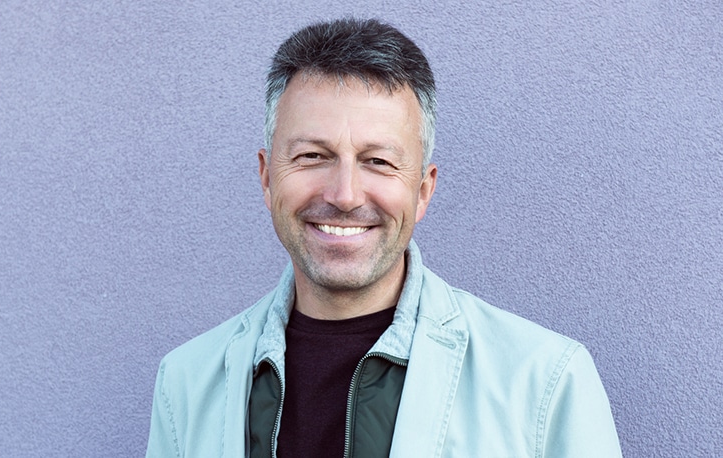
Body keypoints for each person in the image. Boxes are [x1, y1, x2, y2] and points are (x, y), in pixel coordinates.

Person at [146, 18, 622, 457]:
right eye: (313, 155)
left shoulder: (546, 383)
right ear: (268, 178)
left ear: (422, 190)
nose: (345, 194)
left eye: (378, 160)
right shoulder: (186, 384)